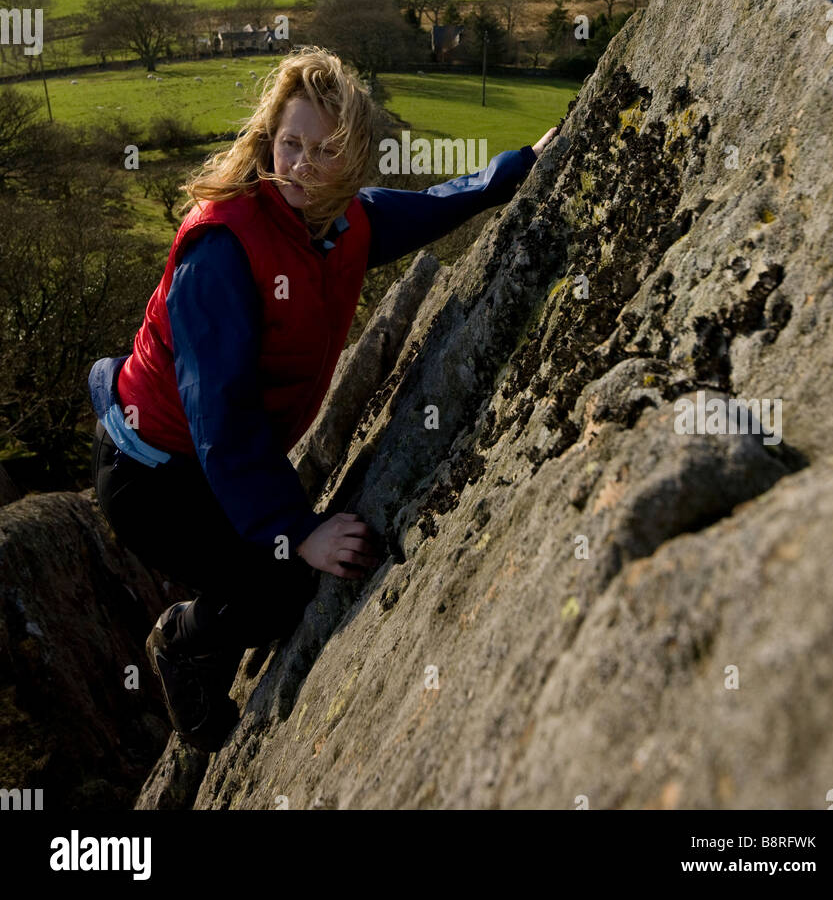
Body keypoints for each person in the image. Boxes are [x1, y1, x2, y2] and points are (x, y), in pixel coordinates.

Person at [88, 45, 557, 753]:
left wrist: (519, 167)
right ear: (267, 141)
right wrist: (299, 530)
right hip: (151, 476)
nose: (302, 165)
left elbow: (433, 206)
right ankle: (184, 643)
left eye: (324, 149)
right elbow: (222, 418)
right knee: (281, 587)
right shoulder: (222, 250)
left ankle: (222, 608)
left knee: (281, 565)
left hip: (207, 458)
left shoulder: (343, 223)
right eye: (290, 144)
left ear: (354, 155)